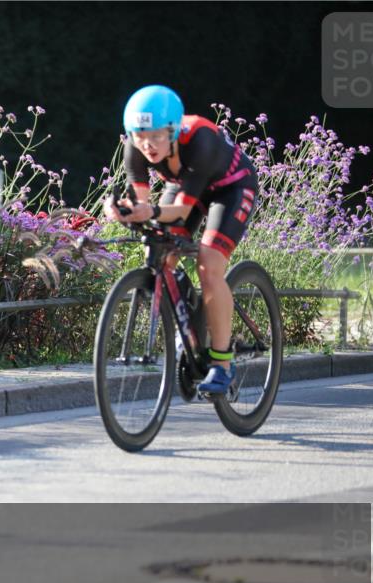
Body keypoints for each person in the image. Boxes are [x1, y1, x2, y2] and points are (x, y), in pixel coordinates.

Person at [103, 84, 259, 394]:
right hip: (186, 186)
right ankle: (191, 325)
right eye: (141, 136)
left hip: (231, 188)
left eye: (157, 136)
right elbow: (144, 204)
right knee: (165, 253)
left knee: (208, 264)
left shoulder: (199, 139)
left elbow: (180, 210)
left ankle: (222, 364)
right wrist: (120, 209)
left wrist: (148, 210)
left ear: (173, 130)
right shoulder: (134, 146)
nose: (148, 145)